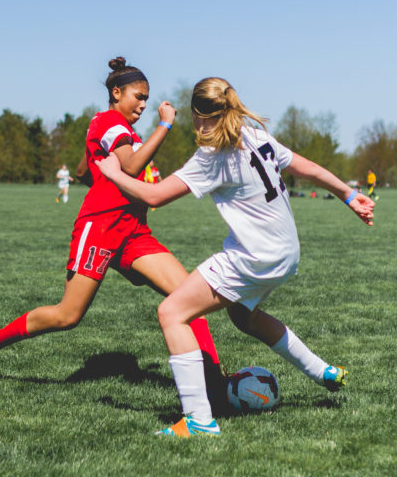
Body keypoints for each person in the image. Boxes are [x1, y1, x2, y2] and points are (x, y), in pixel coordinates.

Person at [96, 77, 375, 437]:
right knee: (244, 316)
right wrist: (349, 196)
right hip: (286, 254)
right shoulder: (256, 136)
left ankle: (198, 420)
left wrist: (113, 173)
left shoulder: (214, 156)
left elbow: (154, 197)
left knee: (172, 313)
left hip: (254, 256)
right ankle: (323, 371)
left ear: (199, 115)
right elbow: (306, 166)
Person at [0, 58, 222, 393]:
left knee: (190, 300)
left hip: (133, 232)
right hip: (99, 230)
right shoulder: (109, 121)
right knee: (67, 316)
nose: (143, 104)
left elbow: (86, 169)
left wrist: (95, 175)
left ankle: (216, 386)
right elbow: (129, 167)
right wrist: (165, 126)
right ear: (117, 93)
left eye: (146, 98)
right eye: (138, 96)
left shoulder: (118, 129)